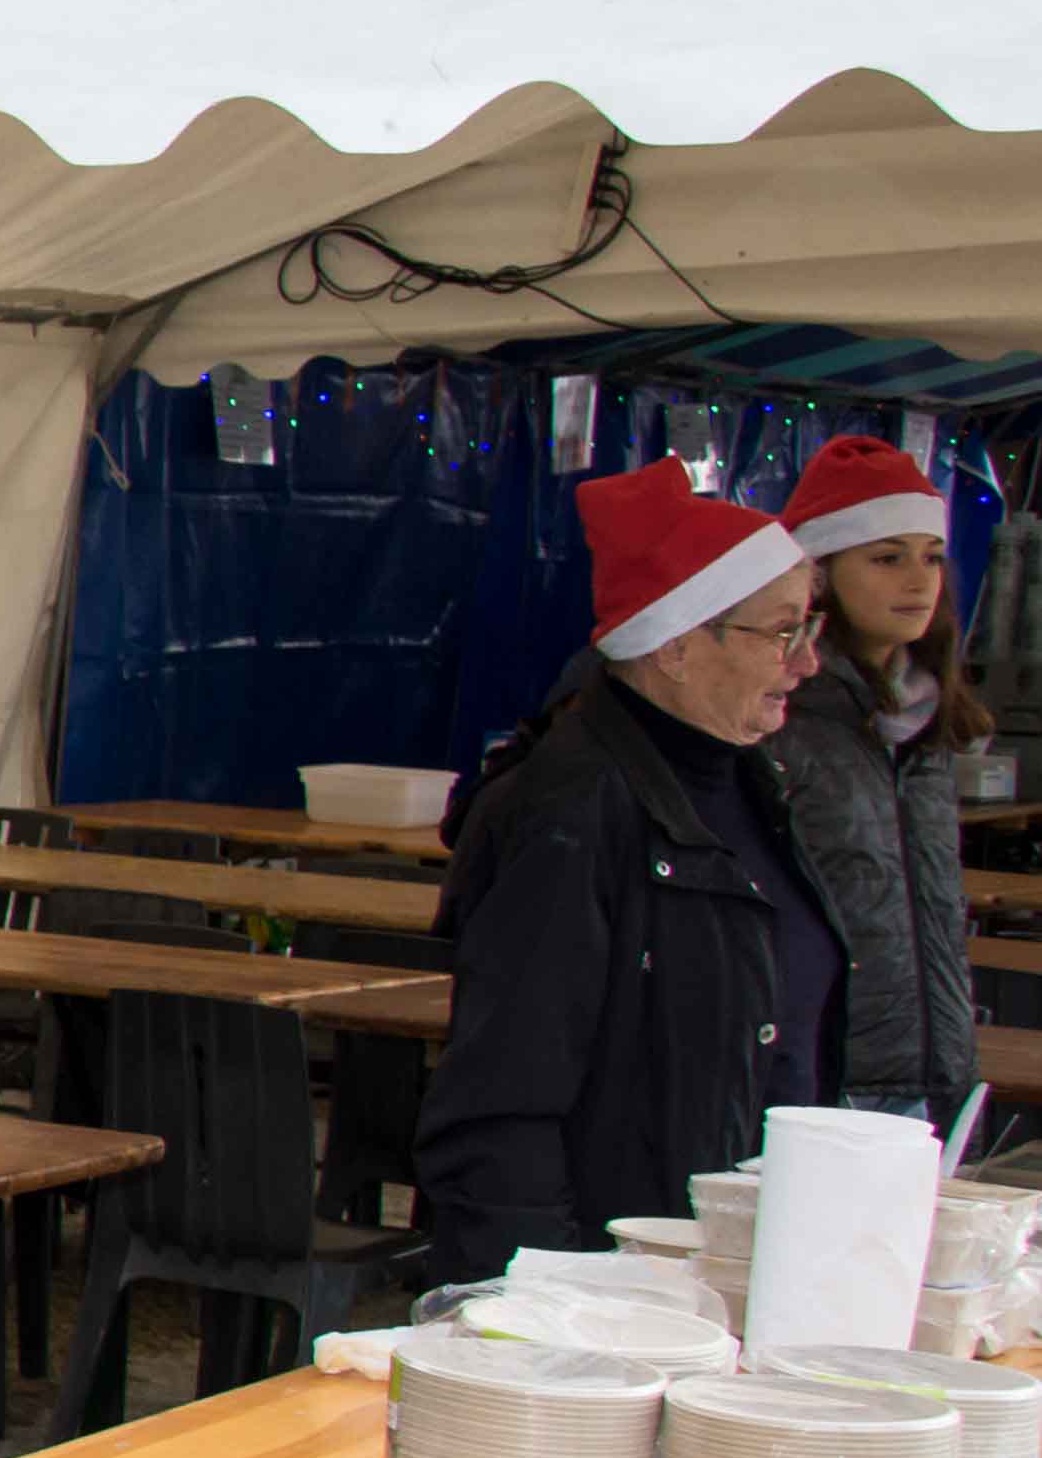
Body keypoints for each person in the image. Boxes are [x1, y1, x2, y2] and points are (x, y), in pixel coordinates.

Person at [421, 468, 842, 1280]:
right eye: (782, 631)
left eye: (808, 627)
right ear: (678, 646)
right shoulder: (570, 808)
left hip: (734, 1259)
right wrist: (539, 1300)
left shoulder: (752, 784)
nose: (807, 663)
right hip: (619, 1275)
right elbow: (505, 1094)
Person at [765, 435, 990, 1132]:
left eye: (929, 557)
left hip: (934, 1072)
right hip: (820, 1080)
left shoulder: (925, 719)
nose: (917, 580)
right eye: (886, 557)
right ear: (821, 573)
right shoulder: (780, 714)